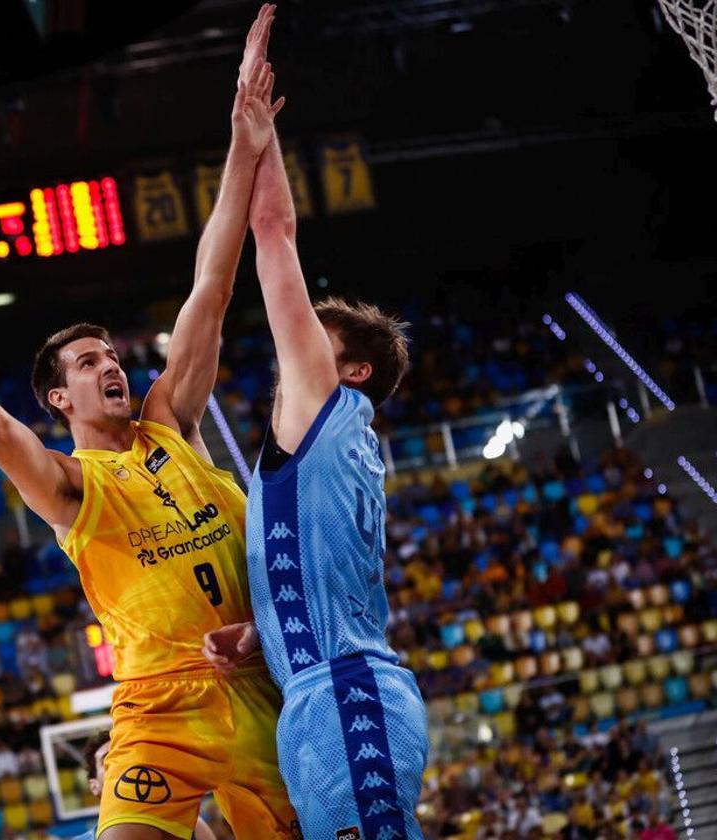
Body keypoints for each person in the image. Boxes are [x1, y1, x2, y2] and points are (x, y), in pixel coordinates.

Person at [0, 8, 296, 838]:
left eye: (111, 354)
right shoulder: (75, 485)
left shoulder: (170, 423)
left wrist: (244, 140)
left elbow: (212, 283)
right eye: (88, 363)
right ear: (58, 398)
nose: (110, 365)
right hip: (160, 711)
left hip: (268, 699)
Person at [201, 86, 428, 838]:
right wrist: (265, 633)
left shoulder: (325, 410)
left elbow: (273, 230)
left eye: (314, 333)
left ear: (352, 371)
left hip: (345, 699)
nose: (291, 338)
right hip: (325, 691)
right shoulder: (336, 439)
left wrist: (258, 133)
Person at [73, 730, 216, 840]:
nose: (120, 765)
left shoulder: (192, 826)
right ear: (94, 786)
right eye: (108, 760)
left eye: (125, 755)